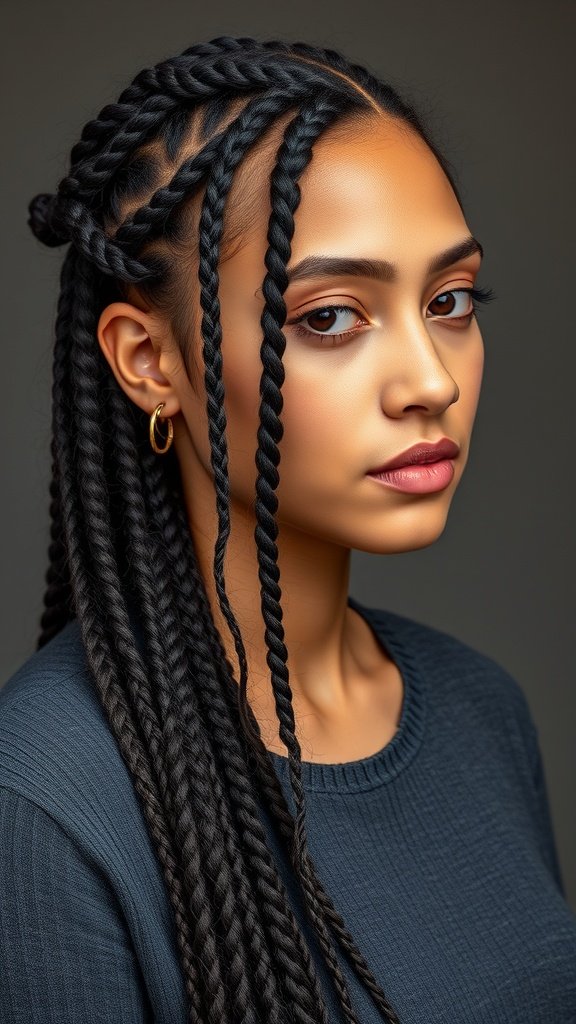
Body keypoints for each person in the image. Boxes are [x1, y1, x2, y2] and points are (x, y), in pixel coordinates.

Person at [1, 34, 575, 1024]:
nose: (431, 380)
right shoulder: (47, 799)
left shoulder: (482, 709)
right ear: (149, 360)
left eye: (449, 301)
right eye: (330, 317)